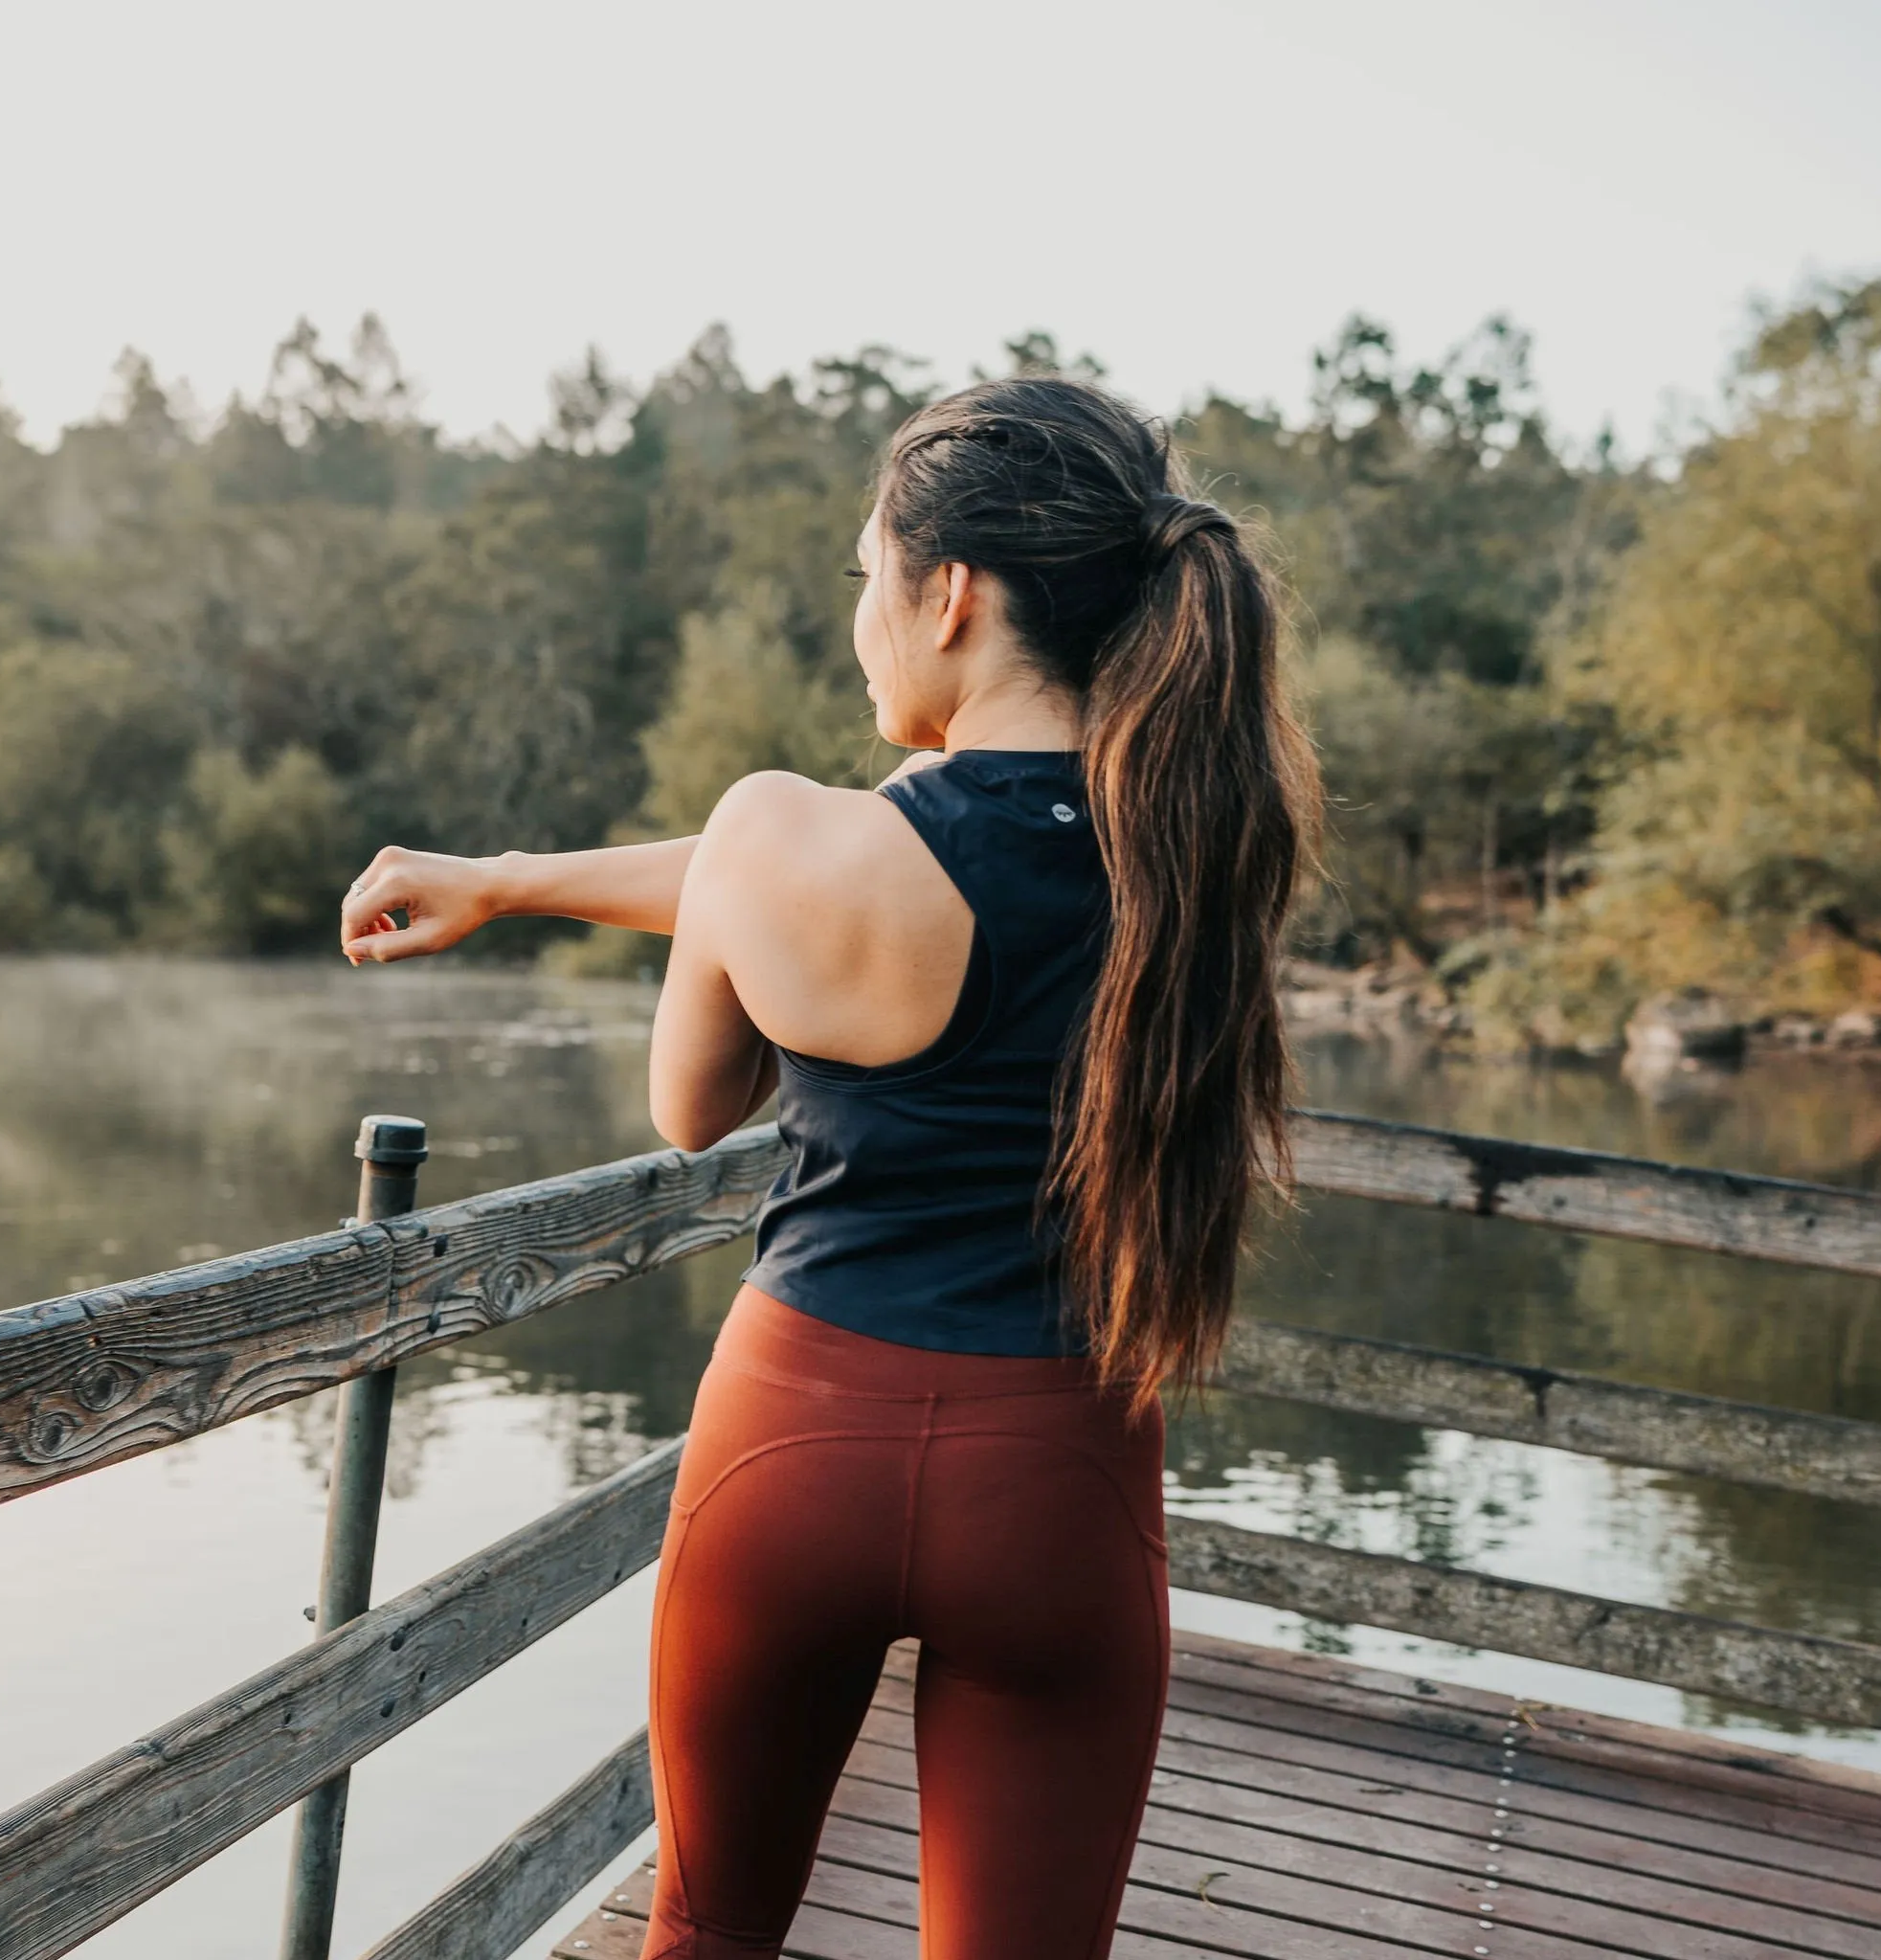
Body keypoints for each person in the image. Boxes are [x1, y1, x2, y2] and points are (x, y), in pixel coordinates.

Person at [339, 375, 1319, 1960]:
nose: (860, 618)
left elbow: (693, 1098)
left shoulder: (781, 832)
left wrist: (559, 876)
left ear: (948, 593)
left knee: (709, 1932)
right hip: (1059, 1474)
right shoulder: (1204, 844)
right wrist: (514, 883)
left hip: (793, 1448)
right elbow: (851, 869)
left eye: (867, 577)